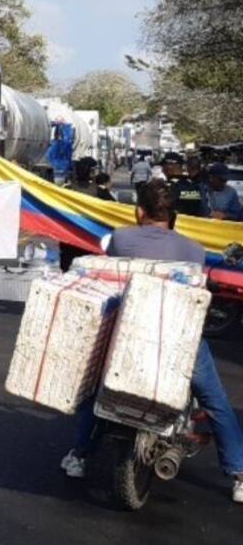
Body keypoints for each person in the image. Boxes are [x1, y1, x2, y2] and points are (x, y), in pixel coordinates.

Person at [59, 180, 243, 503]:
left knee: (94, 390)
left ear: (139, 211)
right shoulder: (194, 250)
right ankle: (239, 475)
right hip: (179, 341)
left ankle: (79, 455)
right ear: (172, 215)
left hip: (127, 335)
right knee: (216, 403)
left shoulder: (120, 239)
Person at [161, 151, 206, 218]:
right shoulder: (192, 183)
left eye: (164, 166)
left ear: (171, 166)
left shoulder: (171, 186)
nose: (163, 169)